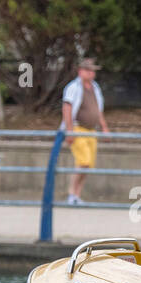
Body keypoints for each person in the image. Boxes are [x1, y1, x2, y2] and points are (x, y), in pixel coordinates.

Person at [60, 58, 109, 205]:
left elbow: (97, 109)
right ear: (80, 71)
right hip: (77, 128)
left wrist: (104, 127)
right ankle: (71, 193)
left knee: (88, 165)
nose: (92, 73)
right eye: (89, 70)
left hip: (91, 130)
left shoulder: (95, 87)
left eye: (93, 71)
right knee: (83, 161)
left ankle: (77, 194)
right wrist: (69, 131)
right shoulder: (73, 87)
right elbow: (67, 108)